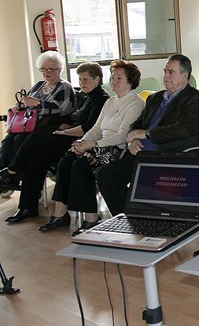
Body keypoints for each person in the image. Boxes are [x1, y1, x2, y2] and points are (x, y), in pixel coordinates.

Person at [38, 60, 145, 231]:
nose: (114, 81)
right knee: (66, 162)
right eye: (112, 77)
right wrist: (82, 142)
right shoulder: (110, 102)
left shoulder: (136, 103)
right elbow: (96, 128)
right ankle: (60, 214)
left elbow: (122, 136)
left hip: (116, 149)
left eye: (119, 78)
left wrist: (91, 145)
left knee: (81, 166)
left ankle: (91, 217)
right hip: (98, 145)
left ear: (130, 81)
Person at [96, 54, 199, 215]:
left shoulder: (194, 98)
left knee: (142, 184)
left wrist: (148, 134)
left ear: (185, 75)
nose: (166, 76)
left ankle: (140, 214)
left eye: (171, 72)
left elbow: (185, 129)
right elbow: (137, 124)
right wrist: (131, 139)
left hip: (169, 154)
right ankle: (128, 216)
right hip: (140, 153)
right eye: (165, 71)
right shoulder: (154, 98)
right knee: (106, 175)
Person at [1, 62, 109, 223]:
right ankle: (26, 208)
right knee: (34, 159)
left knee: (35, 138)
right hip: (68, 135)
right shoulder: (85, 96)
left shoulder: (101, 98)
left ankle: (11, 172)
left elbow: (89, 127)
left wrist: (65, 131)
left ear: (97, 79)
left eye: (85, 79)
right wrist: (63, 127)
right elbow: (70, 117)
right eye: (80, 80)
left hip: (80, 140)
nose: (81, 83)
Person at [0, 51, 76, 173]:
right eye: (44, 69)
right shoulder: (38, 85)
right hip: (31, 124)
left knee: (20, 138)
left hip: (49, 126)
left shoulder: (64, 87)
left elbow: (64, 110)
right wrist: (18, 107)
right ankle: (3, 174)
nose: (47, 72)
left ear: (60, 69)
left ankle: (16, 174)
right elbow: (26, 103)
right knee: (8, 139)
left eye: (52, 69)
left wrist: (39, 104)